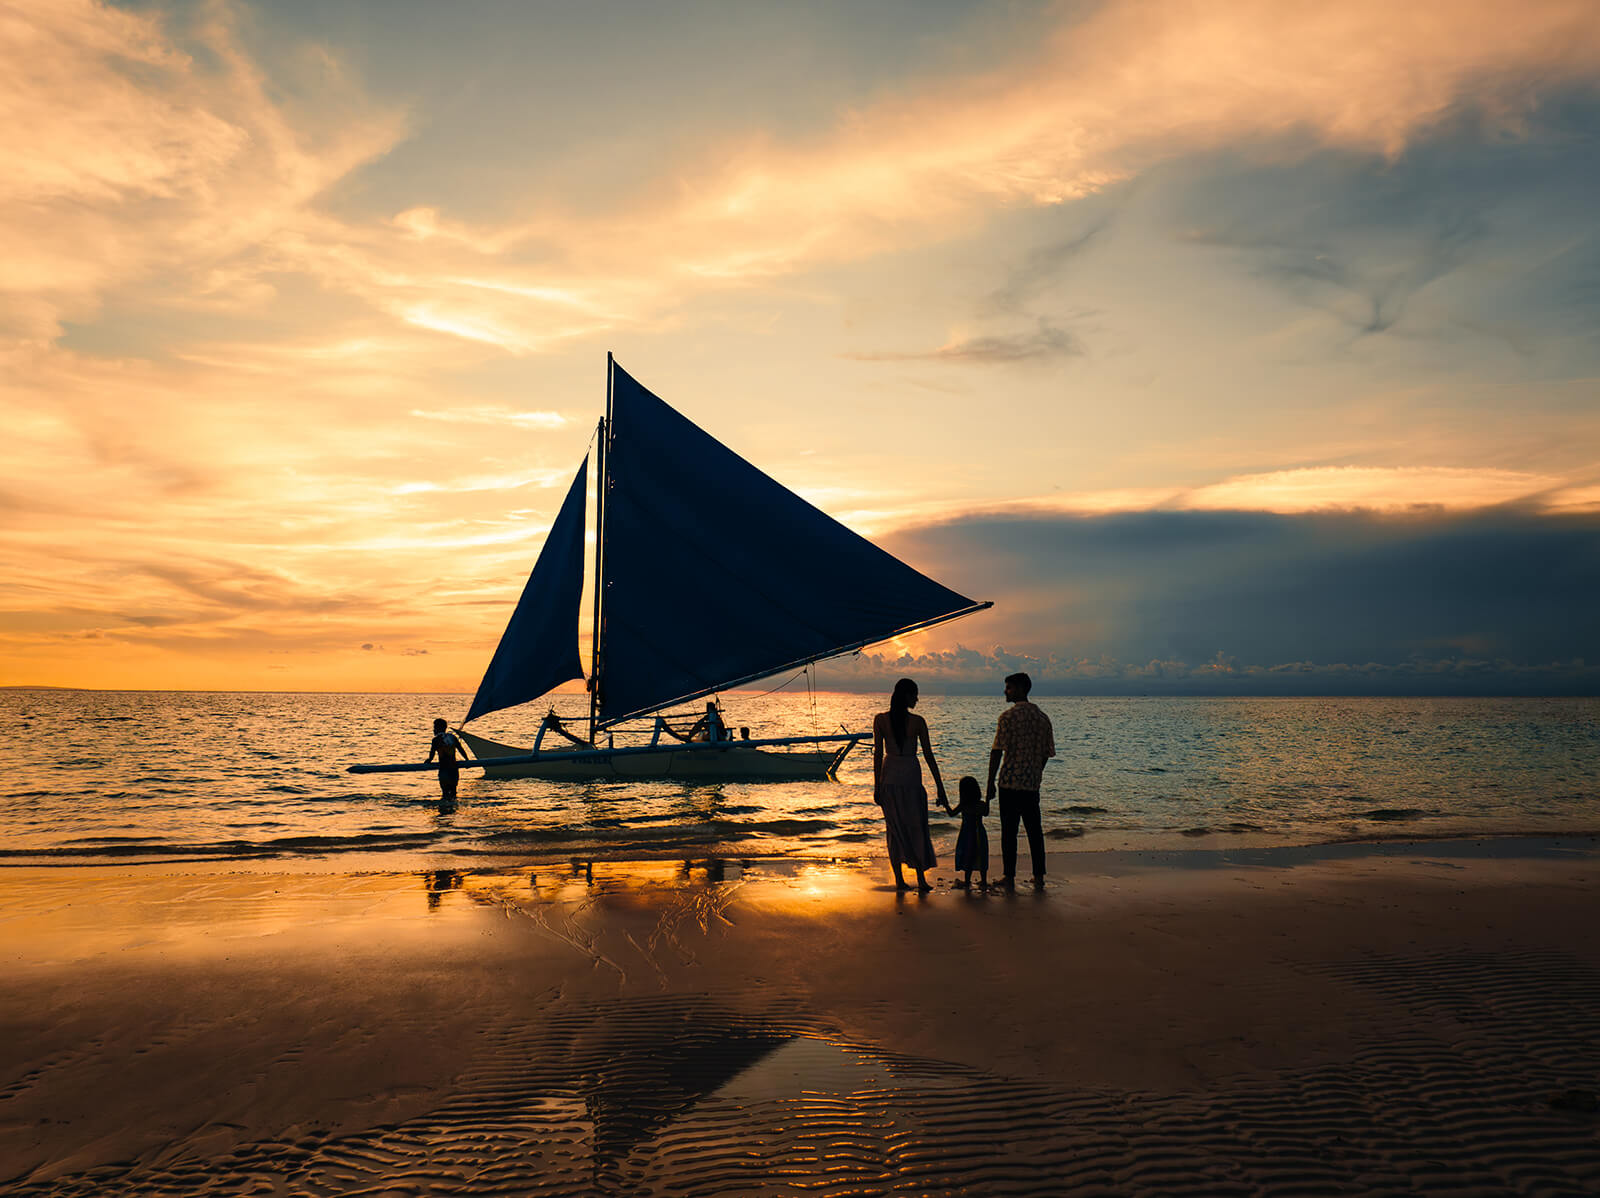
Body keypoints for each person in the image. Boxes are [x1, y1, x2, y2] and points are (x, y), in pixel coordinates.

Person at [873, 677, 946, 892]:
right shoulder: (917, 722)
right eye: (914, 694)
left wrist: (877, 785)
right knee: (917, 828)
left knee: (895, 831)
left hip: (891, 777)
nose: (917, 698)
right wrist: (939, 787)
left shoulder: (881, 720)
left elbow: (878, 755)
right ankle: (921, 880)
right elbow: (929, 756)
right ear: (905, 695)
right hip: (911, 777)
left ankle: (900, 880)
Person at [986, 672, 1055, 890]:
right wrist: (1035, 771)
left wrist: (989, 783)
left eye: (1009, 687)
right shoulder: (1042, 718)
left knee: (1009, 832)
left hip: (1008, 782)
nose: (1005, 691)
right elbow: (1046, 753)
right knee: (1035, 830)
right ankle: (1039, 876)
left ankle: (1009, 877)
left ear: (1020, 689)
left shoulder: (1007, 717)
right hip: (1031, 784)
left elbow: (997, 751)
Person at [945, 775, 989, 890]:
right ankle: (983, 880)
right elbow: (986, 813)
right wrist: (988, 799)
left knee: (968, 856)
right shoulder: (980, 804)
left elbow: (951, 813)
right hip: (980, 832)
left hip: (967, 833)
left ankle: (967, 881)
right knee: (981, 856)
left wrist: (945, 804)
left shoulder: (964, 805)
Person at [424, 717, 470, 808]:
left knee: (445, 792)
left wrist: (429, 760)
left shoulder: (436, 740)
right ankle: (453, 810)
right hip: (454, 769)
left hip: (444, 769)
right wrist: (467, 760)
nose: (433, 730)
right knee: (453, 791)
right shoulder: (452, 737)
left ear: (438, 728)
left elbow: (432, 753)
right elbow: (461, 749)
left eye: (434, 727)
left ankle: (445, 810)